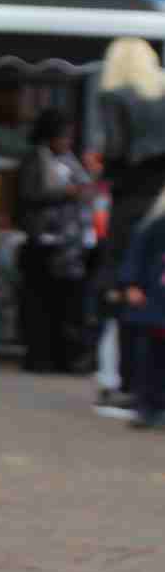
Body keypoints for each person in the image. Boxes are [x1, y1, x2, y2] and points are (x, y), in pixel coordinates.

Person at [94, 37, 165, 417]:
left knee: (124, 287)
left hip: (131, 201)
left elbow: (117, 148)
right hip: (160, 200)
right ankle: (150, 389)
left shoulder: (114, 97)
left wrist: (105, 170)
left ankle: (127, 384)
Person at [15, 107, 91, 374]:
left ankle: (64, 357)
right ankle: (39, 356)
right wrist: (65, 193)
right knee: (40, 303)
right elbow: (28, 195)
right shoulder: (35, 160)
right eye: (62, 136)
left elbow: (85, 187)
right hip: (42, 241)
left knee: (65, 304)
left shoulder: (71, 161)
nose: (67, 142)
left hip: (70, 245)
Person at [121, 186, 165, 429]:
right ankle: (146, 407)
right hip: (156, 301)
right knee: (149, 356)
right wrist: (132, 284)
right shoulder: (155, 225)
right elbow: (136, 255)